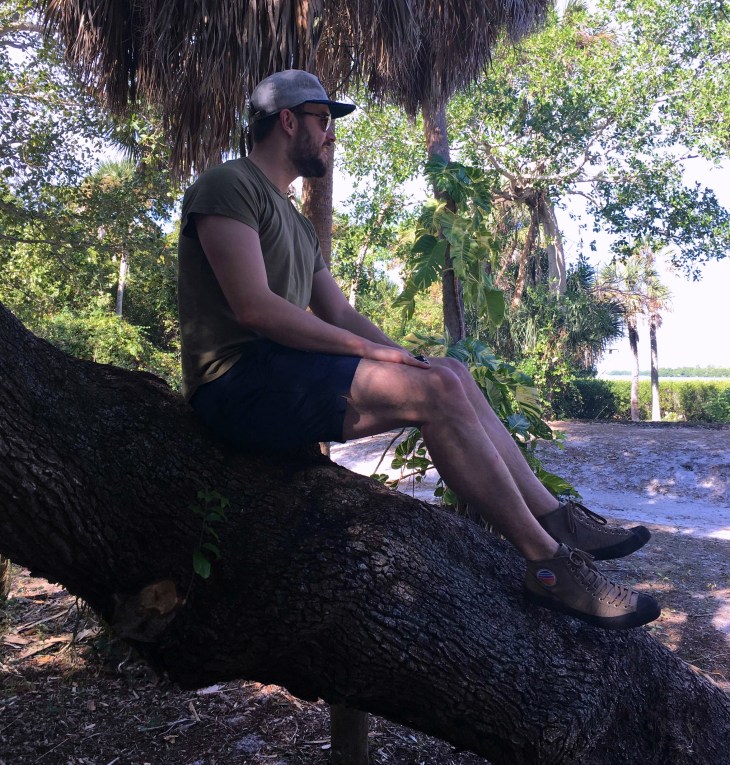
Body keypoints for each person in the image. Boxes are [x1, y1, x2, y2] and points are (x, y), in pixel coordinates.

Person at [178, 69, 660, 631]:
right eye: (324, 120)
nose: (332, 134)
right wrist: (372, 355)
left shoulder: (296, 223)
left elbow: (339, 312)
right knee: (435, 389)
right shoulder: (227, 185)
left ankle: (557, 520)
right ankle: (550, 567)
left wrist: (404, 357)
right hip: (234, 385)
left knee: (446, 371)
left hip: (279, 376)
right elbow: (254, 309)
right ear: (289, 121)